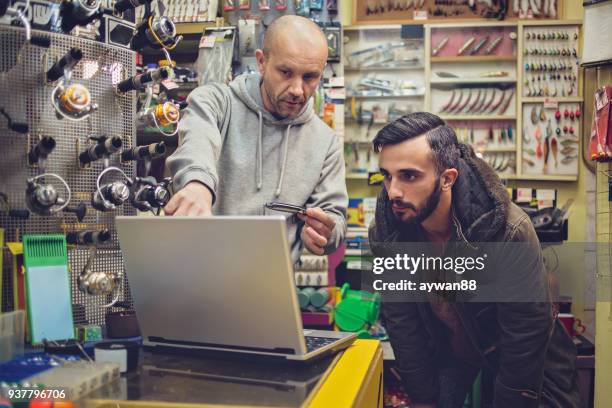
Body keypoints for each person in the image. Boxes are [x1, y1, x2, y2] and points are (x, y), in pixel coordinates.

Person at [369, 112, 580, 408]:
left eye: (409, 175)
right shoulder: (388, 232)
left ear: (447, 179)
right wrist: (423, 399)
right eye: (387, 176)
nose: (393, 191)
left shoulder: (508, 231)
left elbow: (525, 332)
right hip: (453, 352)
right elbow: (403, 323)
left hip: (525, 359)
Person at [164, 15, 347, 262]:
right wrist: (198, 184)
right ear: (262, 62)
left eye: (309, 77)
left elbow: (335, 218)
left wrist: (327, 231)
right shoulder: (217, 103)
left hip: (270, 286)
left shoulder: (325, 143)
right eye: (285, 72)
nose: (296, 89)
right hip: (198, 272)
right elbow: (197, 142)